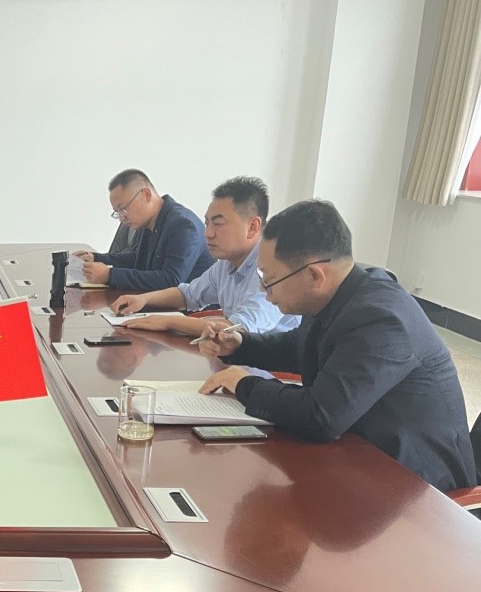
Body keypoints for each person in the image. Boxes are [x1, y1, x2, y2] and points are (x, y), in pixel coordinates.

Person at [198, 199, 475, 493]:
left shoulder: (382, 318)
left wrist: (244, 384)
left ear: (315, 276)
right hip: (357, 455)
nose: (264, 291)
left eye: (270, 280)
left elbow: (321, 416)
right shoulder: (339, 292)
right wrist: (239, 345)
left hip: (418, 488)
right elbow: (299, 347)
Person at [113, 176, 299, 337]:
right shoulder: (227, 262)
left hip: (272, 364)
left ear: (252, 227)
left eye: (218, 224)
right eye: (207, 223)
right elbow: (188, 295)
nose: (207, 234)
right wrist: (144, 300)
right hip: (238, 356)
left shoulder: (272, 268)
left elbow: (236, 328)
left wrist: (168, 321)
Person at [76, 169, 213, 291]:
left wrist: (109, 275)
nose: (121, 218)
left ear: (146, 195)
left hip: (193, 309)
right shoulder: (149, 221)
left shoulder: (182, 225)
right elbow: (138, 259)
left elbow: (171, 280)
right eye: (117, 212)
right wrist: (97, 258)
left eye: (123, 208)